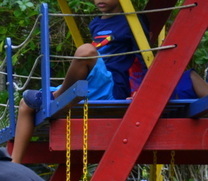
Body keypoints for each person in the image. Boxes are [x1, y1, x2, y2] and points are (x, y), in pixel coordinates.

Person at [12, 0, 208, 164]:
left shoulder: (133, 21)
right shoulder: (96, 23)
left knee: (86, 51)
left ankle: (57, 96)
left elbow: (144, 58)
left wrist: (142, 90)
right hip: (92, 83)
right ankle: (14, 167)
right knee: (26, 103)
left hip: (112, 86)